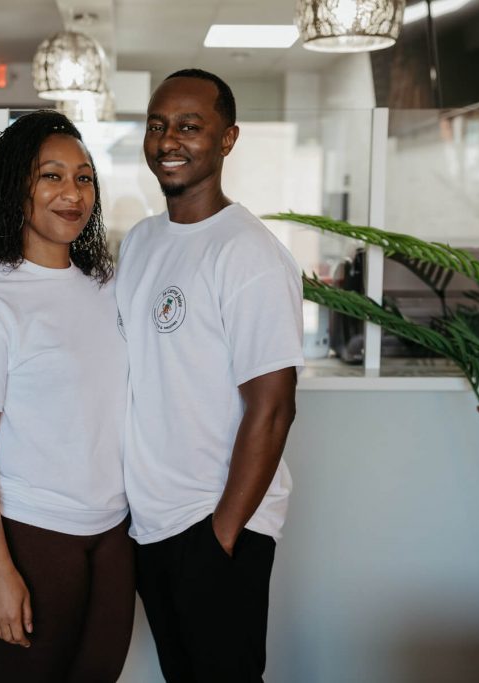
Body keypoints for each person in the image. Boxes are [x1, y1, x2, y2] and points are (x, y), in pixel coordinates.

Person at [115, 69, 304, 682]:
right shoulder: (141, 242)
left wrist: (220, 534)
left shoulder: (247, 252)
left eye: (190, 126)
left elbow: (272, 408)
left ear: (228, 139)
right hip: (150, 523)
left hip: (216, 523)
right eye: (157, 124)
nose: (169, 139)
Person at [0, 111, 134, 683]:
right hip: (28, 530)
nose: (72, 193)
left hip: (111, 530)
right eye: (52, 176)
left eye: (85, 177)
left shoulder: (107, 289)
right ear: (15, 188)